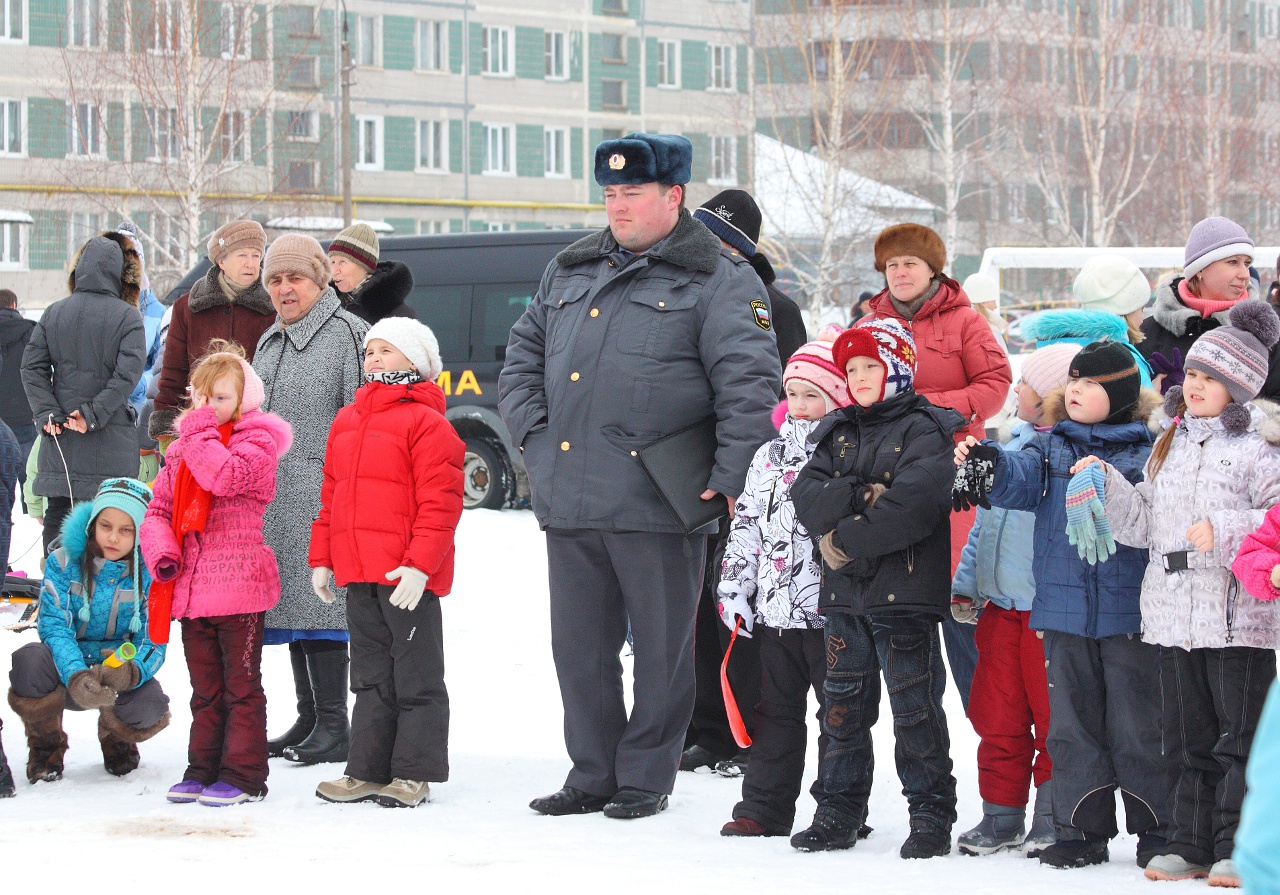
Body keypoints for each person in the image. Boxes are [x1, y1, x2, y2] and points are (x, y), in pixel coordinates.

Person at [498, 133, 781, 820]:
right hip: (571, 494)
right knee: (580, 651)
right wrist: (534, 437)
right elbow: (521, 359)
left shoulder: (719, 277)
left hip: (660, 497)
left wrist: (730, 477)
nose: (617, 206)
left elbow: (750, 385)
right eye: (610, 194)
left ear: (673, 196)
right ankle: (592, 771)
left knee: (661, 651)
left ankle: (645, 776)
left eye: (633, 193)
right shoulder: (569, 269)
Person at [1073, 300, 1280, 886]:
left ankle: (1239, 845)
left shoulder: (1261, 449)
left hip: (1238, 620)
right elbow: (1142, 526)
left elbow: (1275, 519)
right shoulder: (1170, 444)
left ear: (1238, 386)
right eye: (1191, 373)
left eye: (1210, 377)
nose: (1194, 385)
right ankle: (1189, 842)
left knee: (1236, 741)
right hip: (1171, 616)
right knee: (1186, 739)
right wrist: (1108, 484)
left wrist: (1225, 529)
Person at [953, 341, 1165, 869]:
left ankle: (1158, 828)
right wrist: (989, 464)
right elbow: (1020, 480)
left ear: (1116, 393)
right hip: (1064, 614)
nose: (1074, 390)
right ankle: (1078, 829)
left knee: (1138, 726)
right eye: (1072, 380)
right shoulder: (1049, 450)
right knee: (1070, 727)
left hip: (1129, 616)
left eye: (1089, 383)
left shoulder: (1146, 452)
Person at [789, 318, 963, 857]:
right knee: (841, 709)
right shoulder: (838, 431)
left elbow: (912, 507)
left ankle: (930, 815)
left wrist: (842, 538)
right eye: (852, 368)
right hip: (845, 599)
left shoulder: (925, 428)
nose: (860, 376)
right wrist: (861, 494)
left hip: (904, 597)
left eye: (871, 365)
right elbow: (806, 496)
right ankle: (837, 812)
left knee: (915, 710)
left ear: (898, 369)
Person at [310, 318, 464, 809]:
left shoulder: (428, 422)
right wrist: (323, 558)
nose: (373, 357)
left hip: (406, 576)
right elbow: (330, 494)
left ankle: (412, 772)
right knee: (371, 674)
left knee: (416, 673)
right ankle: (367, 769)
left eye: (386, 350)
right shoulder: (347, 420)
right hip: (359, 572)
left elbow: (441, 502)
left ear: (415, 362)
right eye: (369, 350)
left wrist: (421, 566)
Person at [682, 188, 807, 775]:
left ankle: (734, 729)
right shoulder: (680, 290)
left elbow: (776, 397)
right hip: (683, 472)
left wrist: (748, 471)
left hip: (747, 478)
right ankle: (698, 724)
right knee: (691, 615)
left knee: (734, 610)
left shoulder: (772, 307)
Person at [867, 224, 1013, 713]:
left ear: (933, 269)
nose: (900, 272)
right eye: (891, 265)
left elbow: (995, 384)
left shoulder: (965, 321)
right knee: (904, 601)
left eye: (910, 263)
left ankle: (990, 723)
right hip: (891, 475)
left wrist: (929, 406)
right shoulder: (870, 327)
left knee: (960, 598)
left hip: (958, 468)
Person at [142, 342, 292, 807]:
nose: (208, 408)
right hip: (192, 590)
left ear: (245, 400)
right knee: (205, 690)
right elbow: (158, 511)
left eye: (221, 398)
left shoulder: (256, 443)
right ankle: (201, 766)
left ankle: (244, 774)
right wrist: (163, 553)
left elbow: (223, 478)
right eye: (201, 398)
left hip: (239, 588)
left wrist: (198, 433)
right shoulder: (183, 450)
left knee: (241, 687)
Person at [715, 338, 853, 837]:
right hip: (775, 611)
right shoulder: (768, 456)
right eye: (792, 394)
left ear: (836, 399)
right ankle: (763, 808)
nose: (799, 405)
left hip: (831, 611)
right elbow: (747, 523)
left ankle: (838, 809)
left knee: (839, 715)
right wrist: (735, 588)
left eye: (812, 396)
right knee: (775, 712)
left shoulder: (848, 452)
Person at [951, 342, 1081, 858]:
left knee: (1053, 720)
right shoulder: (1007, 449)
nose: (1016, 390)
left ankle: (1052, 815)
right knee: (996, 714)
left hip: (1046, 613)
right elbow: (984, 523)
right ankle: (1000, 815)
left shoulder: (1064, 457)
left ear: (1050, 396)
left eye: (1025, 383)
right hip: (1000, 608)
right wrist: (967, 583)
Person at [253, 234, 367, 766]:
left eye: (294, 278)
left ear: (320, 280)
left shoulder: (348, 336)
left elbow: (365, 424)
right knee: (292, 611)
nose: (284, 289)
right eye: (274, 280)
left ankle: (334, 726)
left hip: (325, 500)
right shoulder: (269, 342)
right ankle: (309, 717)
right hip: (275, 504)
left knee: (322, 610)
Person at [7, 478, 168, 783]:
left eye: (126, 530)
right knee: (29, 660)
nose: (113, 538)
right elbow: (54, 627)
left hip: (114, 670)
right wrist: (77, 674)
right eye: (105, 526)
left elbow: (154, 640)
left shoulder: (152, 573)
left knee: (150, 703)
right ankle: (46, 749)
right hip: (67, 671)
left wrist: (131, 671)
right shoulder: (63, 561)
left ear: (140, 533)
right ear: (92, 523)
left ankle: (116, 739)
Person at [21, 233, 146, 555]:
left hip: (61, 437)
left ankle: (56, 594)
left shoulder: (54, 312)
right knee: (107, 529)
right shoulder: (127, 315)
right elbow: (127, 375)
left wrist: (47, 412)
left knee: (58, 521)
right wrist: (92, 414)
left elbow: (31, 368)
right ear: (119, 273)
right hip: (109, 441)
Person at [149, 220, 276, 442]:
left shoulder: (273, 309)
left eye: (256, 256)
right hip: (198, 427)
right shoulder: (187, 308)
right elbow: (173, 372)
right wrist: (165, 429)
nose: (250, 264)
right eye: (242, 256)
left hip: (252, 431)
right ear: (221, 261)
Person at [1141, 217, 1280, 398]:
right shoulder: (1148, 332)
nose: (1245, 274)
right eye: (1233, 262)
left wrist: (1244, 419)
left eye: (1247, 263)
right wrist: (1153, 408)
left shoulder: (1265, 333)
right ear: (1200, 268)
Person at [1020, 255, 1154, 386]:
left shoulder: (1047, 352)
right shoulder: (1124, 362)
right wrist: (1153, 395)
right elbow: (1143, 408)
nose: (1142, 320)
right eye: (1141, 309)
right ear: (1127, 311)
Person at [328, 223, 417, 324]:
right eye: (332, 262)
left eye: (343, 262)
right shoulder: (327, 307)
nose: (334, 271)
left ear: (364, 266)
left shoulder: (398, 316)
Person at [0, 288, 36, 508]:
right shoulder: (30, 332)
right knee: (29, 475)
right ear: (14, 305)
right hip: (24, 414)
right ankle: (29, 510)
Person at [961, 272, 1008, 351]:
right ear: (983, 302)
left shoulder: (957, 323)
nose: (996, 306)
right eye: (993, 301)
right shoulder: (988, 329)